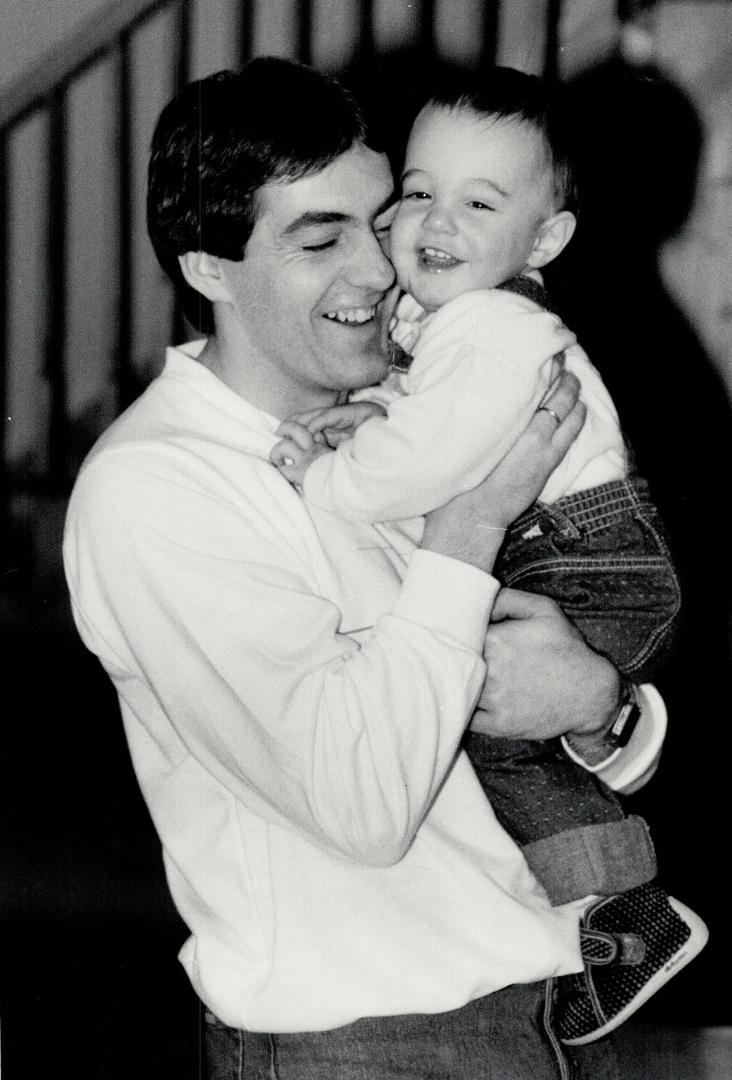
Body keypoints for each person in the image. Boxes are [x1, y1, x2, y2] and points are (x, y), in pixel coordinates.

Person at [64, 57, 671, 1080]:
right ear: (208, 267)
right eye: (318, 239)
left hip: (546, 1019)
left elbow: (518, 714)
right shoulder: (156, 492)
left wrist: (598, 708)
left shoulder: (401, 420)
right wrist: (469, 526)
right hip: (368, 1048)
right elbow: (364, 806)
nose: (384, 266)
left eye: (380, 217)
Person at [269, 65, 707, 1045]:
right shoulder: (456, 325)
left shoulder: (497, 325)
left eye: (479, 201)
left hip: (588, 557)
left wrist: (328, 480)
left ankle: (625, 916)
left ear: (545, 239)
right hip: (575, 552)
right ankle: (605, 919)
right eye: (418, 191)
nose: (434, 220)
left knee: (494, 722)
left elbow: (428, 454)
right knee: (486, 719)